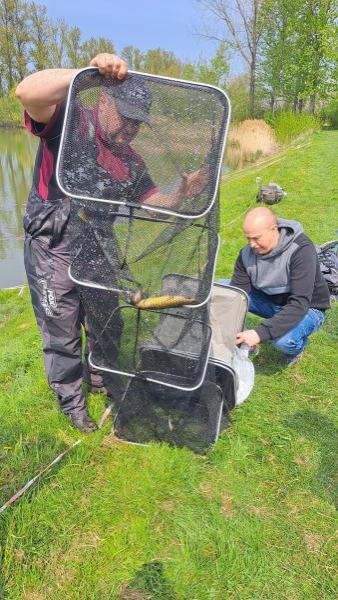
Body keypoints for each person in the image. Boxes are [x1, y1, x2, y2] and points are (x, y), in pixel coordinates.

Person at [15, 53, 209, 432]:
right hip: (52, 246)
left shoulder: (131, 161)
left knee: (109, 322)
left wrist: (182, 193)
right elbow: (27, 92)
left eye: (138, 122)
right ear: (104, 102)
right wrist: (90, 75)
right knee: (62, 329)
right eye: (126, 116)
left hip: (97, 246)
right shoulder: (69, 123)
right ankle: (71, 403)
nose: (131, 128)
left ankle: (100, 377)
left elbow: (156, 208)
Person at [227, 207, 330, 366]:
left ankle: (297, 348)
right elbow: (236, 296)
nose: (251, 244)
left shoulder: (301, 249)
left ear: (273, 229)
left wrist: (260, 332)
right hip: (272, 303)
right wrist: (238, 330)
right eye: (248, 238)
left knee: (283, 340)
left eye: (256, 238)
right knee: (224, 291)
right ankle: (243, 341)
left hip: (309, 308)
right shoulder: (245, 255)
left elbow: (299, 304)